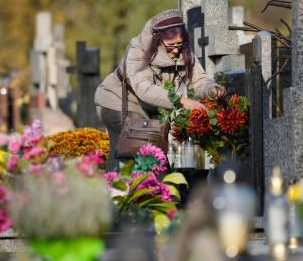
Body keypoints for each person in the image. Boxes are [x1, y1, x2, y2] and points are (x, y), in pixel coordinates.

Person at [95, 9, 226, 171]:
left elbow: (198, 80)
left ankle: (152, 191)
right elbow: (144, 89)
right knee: (132, 155)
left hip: (150, 108)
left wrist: (211, 89)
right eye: (171, 46)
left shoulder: (183, 50)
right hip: (117, 101)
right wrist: (182, 101)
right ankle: (120, 192)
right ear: (157, 40)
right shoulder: (138, 49)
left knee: (153, 158)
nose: (176, 50)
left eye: (180, 44)